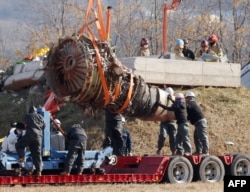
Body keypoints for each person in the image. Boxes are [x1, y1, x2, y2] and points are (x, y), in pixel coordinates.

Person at [15, 106, 46, 176]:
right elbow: (44, 126)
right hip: (39, 137)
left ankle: (22, 157)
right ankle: (39, 172)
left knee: (19, 145)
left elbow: (25, 125)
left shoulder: (27, 115)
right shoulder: (41, 116)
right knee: (37, 154)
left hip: (30, 134)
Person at [156, 87, 177, 155]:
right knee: (162, 135)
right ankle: (159, 149)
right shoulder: (162, 99)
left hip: (172, 122)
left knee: (173, 137)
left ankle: (174, 151)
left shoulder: (175, 100)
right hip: (164, 121)